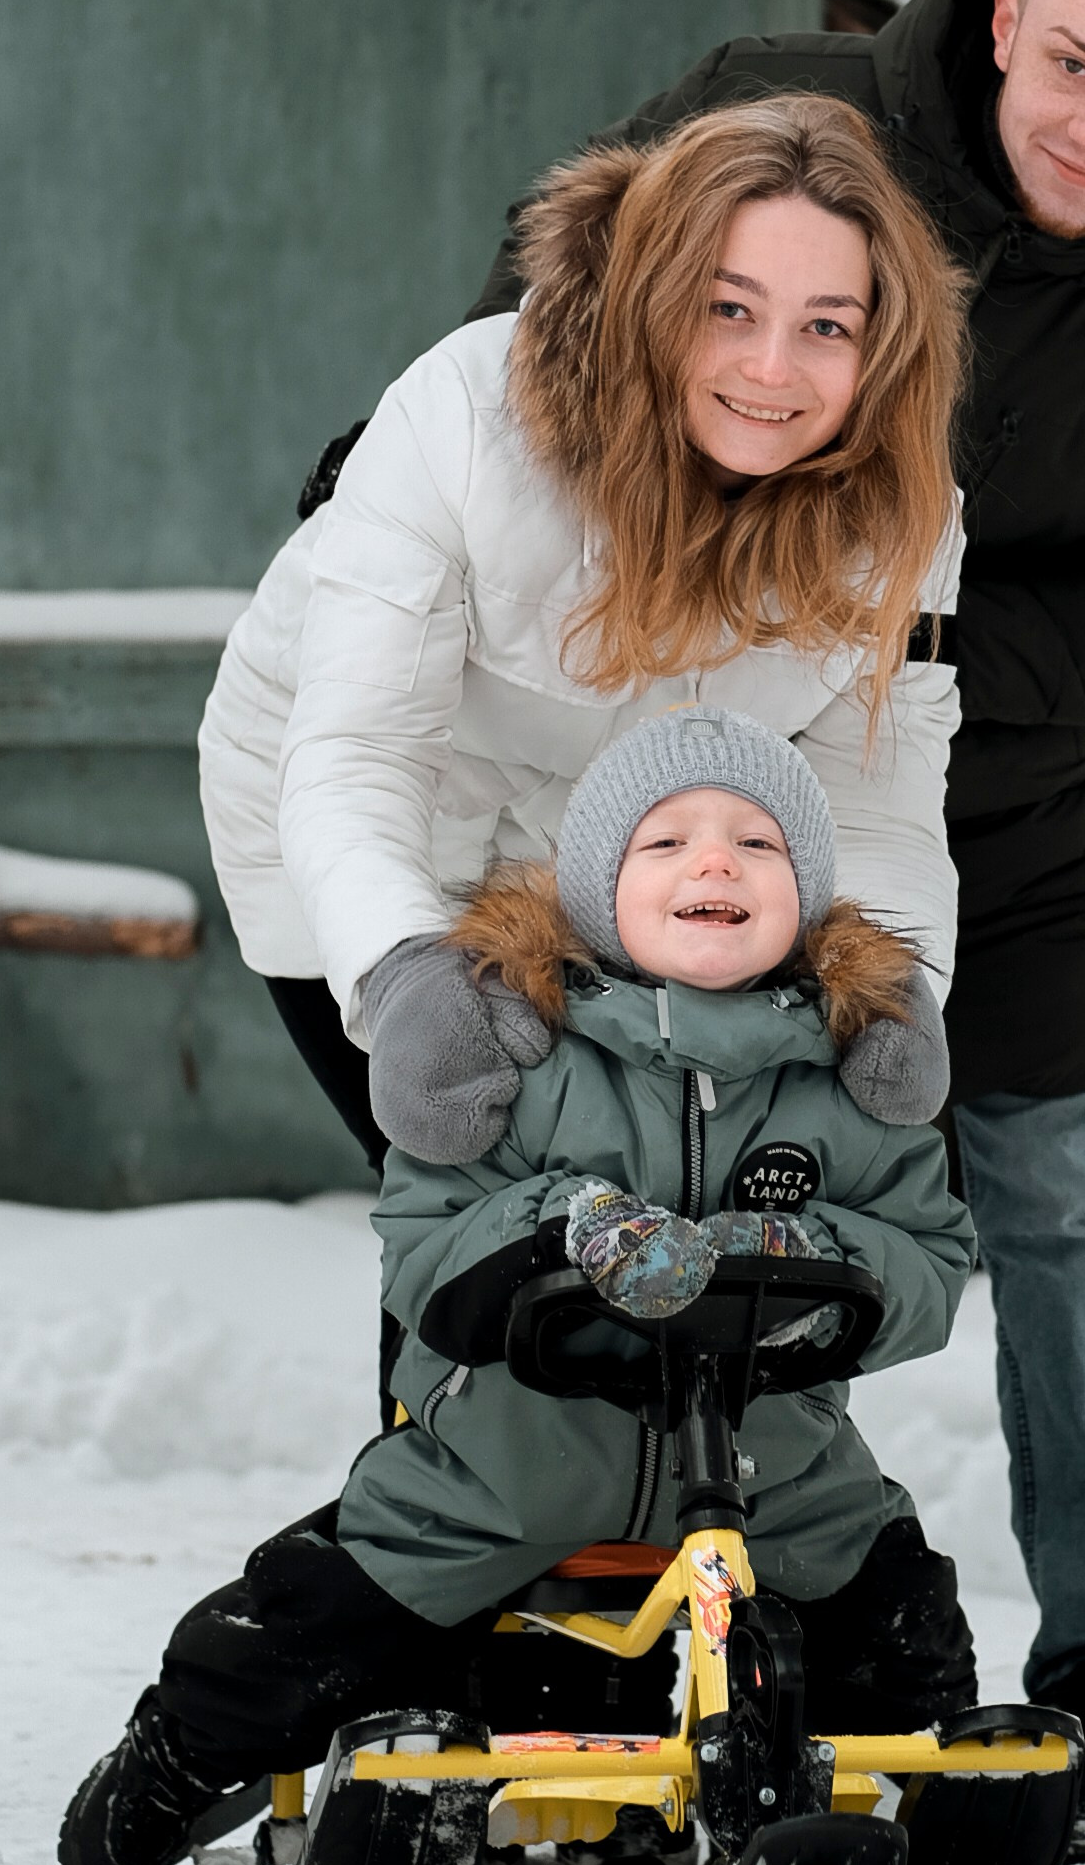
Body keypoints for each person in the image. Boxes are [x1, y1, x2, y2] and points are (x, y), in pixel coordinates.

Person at [465, 0, 1085, 1857]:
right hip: (678, 786)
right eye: (1077, 63)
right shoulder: (777, 112)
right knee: (585, 1159)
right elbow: (528, 349)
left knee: (1053, 1207)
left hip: (1008, 818)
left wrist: (903, 647)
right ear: (1013, 8)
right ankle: (527, 1602)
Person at [57, 709, 979, 1865]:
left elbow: (930, 1254)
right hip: (496, 1476)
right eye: (668, 845)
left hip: (775, 1480)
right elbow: (424, 1248)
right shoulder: (517, 1048)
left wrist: (808, 1257)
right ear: (597, 889)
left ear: (804, 890)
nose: (716, 863)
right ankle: (168, 1765)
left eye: (758, 843)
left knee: (906, 1622)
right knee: (298, 1633)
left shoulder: (847, 1074)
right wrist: (566, 1229)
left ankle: (935, 1801)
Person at [199, 94, 968, 1207]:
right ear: (657, 297)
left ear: (881, 343)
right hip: (363, 819)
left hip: (624, 872)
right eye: (728, 307)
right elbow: (360, 754)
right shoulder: (465, 416)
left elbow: (878, 789)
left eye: (826, 326)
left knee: (642, 1212)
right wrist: (403, 968)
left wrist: (895, 990)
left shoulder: (906, 512)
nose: (770, 368)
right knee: (461, 1196)